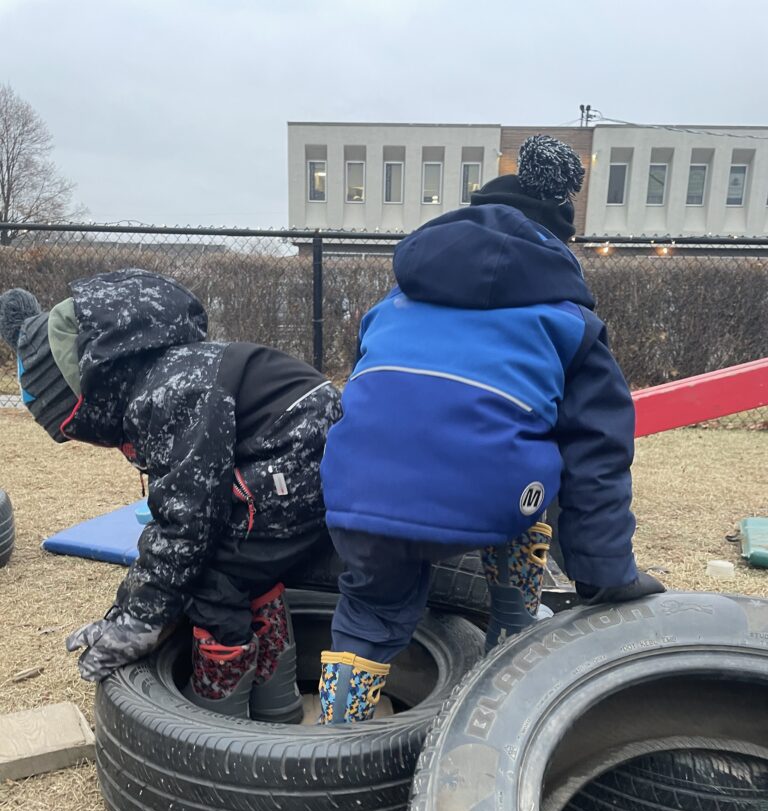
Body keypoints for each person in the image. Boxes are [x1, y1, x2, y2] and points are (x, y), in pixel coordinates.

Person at [318, 135, 664, 725]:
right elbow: (598, 456)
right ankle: (508, 634)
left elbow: (379, 404)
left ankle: (334, 742)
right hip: (491, 502)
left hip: (358, 496)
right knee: (526, 465)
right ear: (557, 245)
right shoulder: (569, 322)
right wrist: (605, 575)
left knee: (371, 612)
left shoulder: (390, 305)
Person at [0, 269, 341, 721]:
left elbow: (186, 524)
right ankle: (278, 707)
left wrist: (136, 623)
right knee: (246, 565)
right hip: (299, 454)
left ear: (86, 396)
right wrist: (124, 609)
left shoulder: (166, 393)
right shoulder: (165, 371)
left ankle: (218, 724)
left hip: (298, 458)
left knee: (211, 575)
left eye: (75, 430)